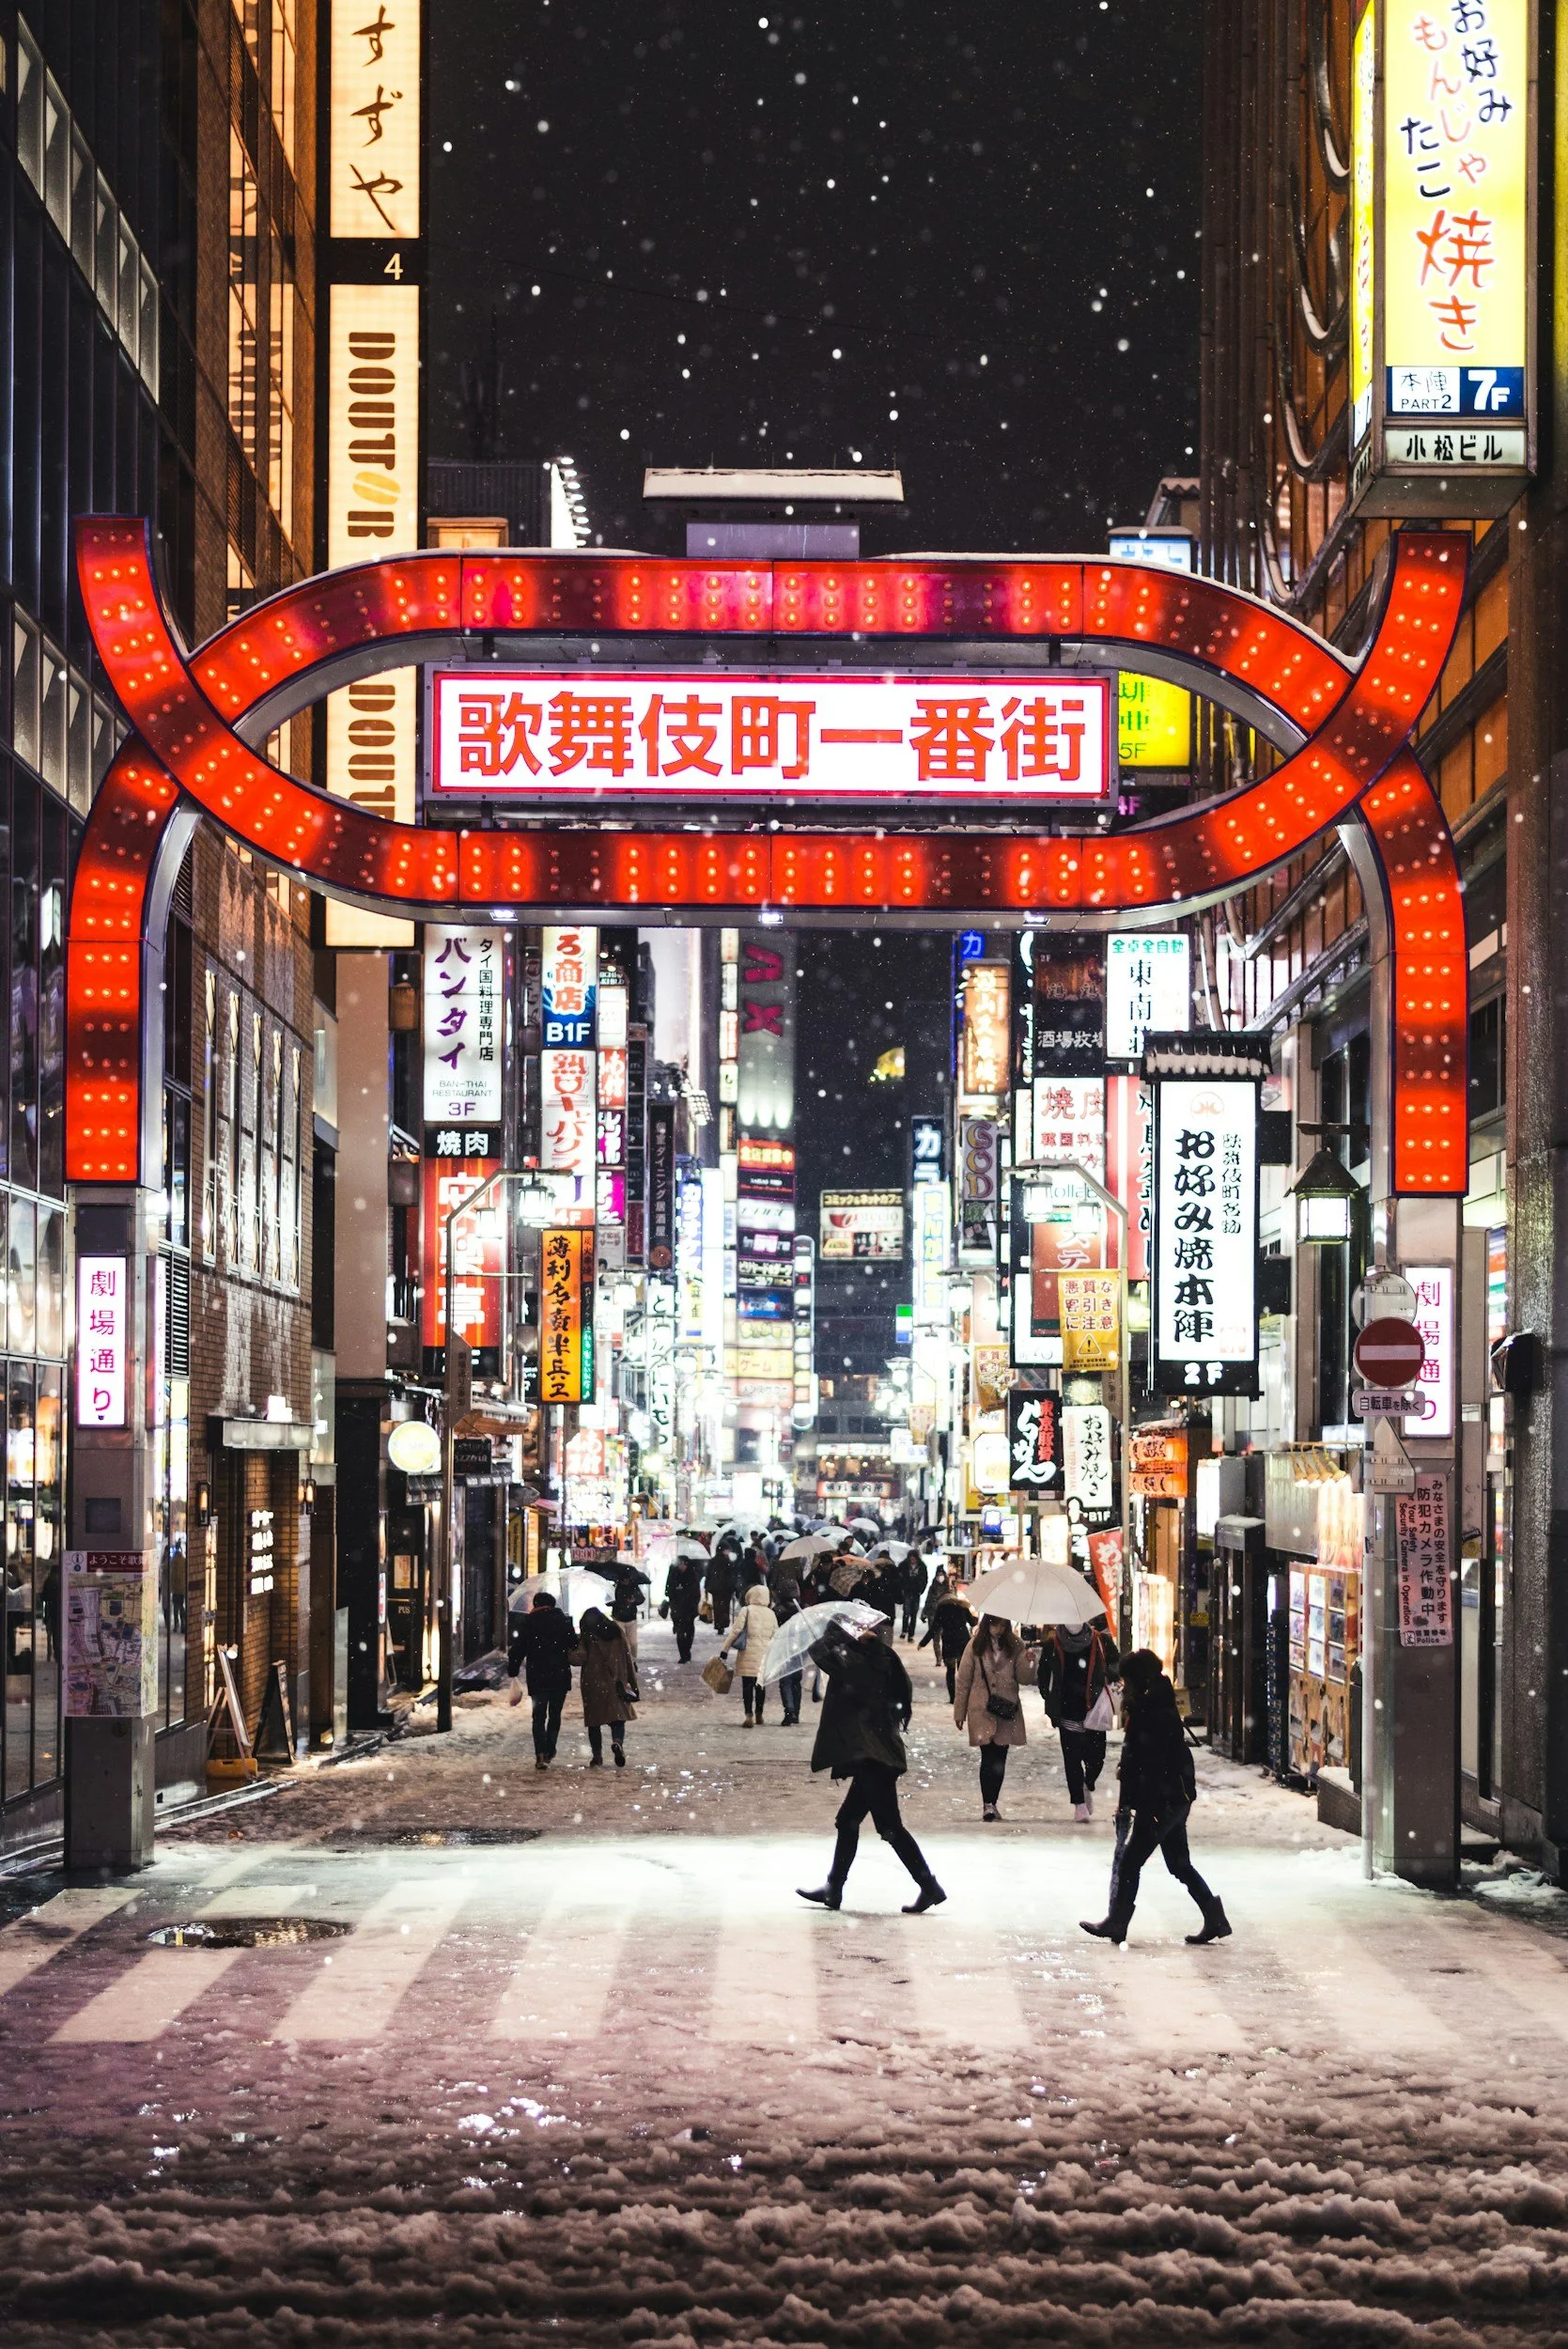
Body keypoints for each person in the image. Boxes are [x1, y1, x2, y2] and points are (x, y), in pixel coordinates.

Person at [1080, 1648, 1231, 1946]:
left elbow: (1152, 1765)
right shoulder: (1151, 1704)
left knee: (1130, 1862)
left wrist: (1142, 1808)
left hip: (1163, 1800)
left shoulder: (1153, 1711)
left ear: (1138, 1681)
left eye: (1126, 1681)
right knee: (1179, 1864)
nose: (1123, 1687)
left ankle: (1118, 1922)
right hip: (1174, 1797)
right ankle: (1214, 1917)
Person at [798, 1621, 945, 1914]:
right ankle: (834, 1887)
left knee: (889, 1827)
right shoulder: (885, 1657)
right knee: (849, 1821)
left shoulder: (856, 1662)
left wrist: (835, 1631)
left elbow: (818, 1651)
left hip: (872, 1757)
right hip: (881, 1752)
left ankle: (929, 1886)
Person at [1038, 1619, 1121, 1821]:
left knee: (1097, 1758)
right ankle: (1079, 1804)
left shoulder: (1101, 1641)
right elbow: (1042, 1675)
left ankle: (1087, 1784)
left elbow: (1116, 1666)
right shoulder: (1052, 1644)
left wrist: (1107, 1675)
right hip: (1067, 1710)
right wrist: (1050, 1699)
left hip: (1094, 1708)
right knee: (1072, 1759)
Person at [953, 1613, 1029, 1821]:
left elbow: (1025, 1678)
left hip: (1006, 1709)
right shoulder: (975, 1646)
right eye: (996, 1624)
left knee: (1000, 1759)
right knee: (988, 1757)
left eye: (1003, 1624)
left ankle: (992, 1801)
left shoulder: (1016, 1646)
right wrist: (959, 1712)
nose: (999, 1629)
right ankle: (988, 1804)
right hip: (982, 1709)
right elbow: (964, 1681)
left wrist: (1029, 1662)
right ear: (988, 1624)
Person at [505, 1588, 574, 1769]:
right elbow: (574, 1643)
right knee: (555, 1715)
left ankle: (540, 1754)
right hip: (560, 1675)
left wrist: (513, 1669)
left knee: (538, 1716)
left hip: (538, 1675)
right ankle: (550, 1748)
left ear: (536, 1605)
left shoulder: (528, 1621)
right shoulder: (563, 1620)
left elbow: (518, 1648)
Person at [571, 1604, 639, 1767]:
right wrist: (633, 1683)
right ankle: (617, 1742)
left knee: (594, 1722)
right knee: (618, 1719)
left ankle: (597, 1757)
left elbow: (577, 1659)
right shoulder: (616, 1631)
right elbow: (627, 1657)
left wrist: (570, 1647)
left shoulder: (587, 1636)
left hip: (593, 1683)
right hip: (616, 1681)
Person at [719, 1581, 779, 1724]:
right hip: (764, 1656)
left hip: (747, 1653)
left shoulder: (747, 1610)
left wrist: (724, 1649)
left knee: (747, 1686)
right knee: (760, 1686)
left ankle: (748, 1715)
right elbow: (776, 1635)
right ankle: (759, 1713)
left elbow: (736, 1631)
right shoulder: (771, 1613)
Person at [918, 1583, 977, 1702]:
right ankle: (963, 1696)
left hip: (949, 1642)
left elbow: (934, 1628)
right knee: (963, 1672)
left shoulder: (942, 1609)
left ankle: (952, 1698)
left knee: (950, 1671)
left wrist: (923, 1643)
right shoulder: (962, 1606)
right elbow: (973, 1623)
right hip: (963, 1641)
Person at [772, 1583, 805, 1726]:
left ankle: (789, 1711)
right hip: (798, 1648)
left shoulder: (777, 1611)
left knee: (785, 1681)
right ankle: (796, 1712)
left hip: (783, 1649)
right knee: (796, 1681)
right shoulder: (801, 1611)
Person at [662, 1553, 703, 1664]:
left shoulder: (692, 1574)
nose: (681, 1567)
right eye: (679, 1564)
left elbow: (696, 1593)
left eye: (683, 1564)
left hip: (689, 1609)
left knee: (689, 1630)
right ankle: (683, 1654)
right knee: (680, 1632)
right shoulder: (673, 1574)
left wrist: (689, 1598)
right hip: (678, 1608)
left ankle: (687, 1650)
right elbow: (668, 1590)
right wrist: (677, 1590)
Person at [611, 1564, 645, 1663]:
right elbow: (609, 1600)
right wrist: (617, 1602)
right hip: (618, 1618)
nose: (625, 1582)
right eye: (623, 1580)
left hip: (631, 1618)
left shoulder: (634, 1587)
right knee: (621, 1642)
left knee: (633, 1643)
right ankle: (623, 1662)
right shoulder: (615, 1587)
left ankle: (633, 1661)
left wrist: (634, 1600)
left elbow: (641, 1599)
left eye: (627, 1580)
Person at [705, 1545, 737, 1636]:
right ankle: (723, 1624)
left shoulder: (713, 1561)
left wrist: (707, 1586)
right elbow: (731, 1576)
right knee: (725, 1607)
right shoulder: (727, 1561)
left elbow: (708, 1574)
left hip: (715, 1588)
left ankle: (719, 1625)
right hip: (725, 1589)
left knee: (717, 1607)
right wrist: (733, 1587)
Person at [897, 1550, 927, 1641]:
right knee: (906, 1612)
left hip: (916, 1592)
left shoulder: (922, 1566)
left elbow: (925, 1579)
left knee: (914, 1613)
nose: (912, 1560)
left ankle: (911, 1634)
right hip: (907, 1592)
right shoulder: (903, 1566)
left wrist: (921, 1589)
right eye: (911, 1558)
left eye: (914, 1558)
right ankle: (904, 1630)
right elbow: (899, 1578)